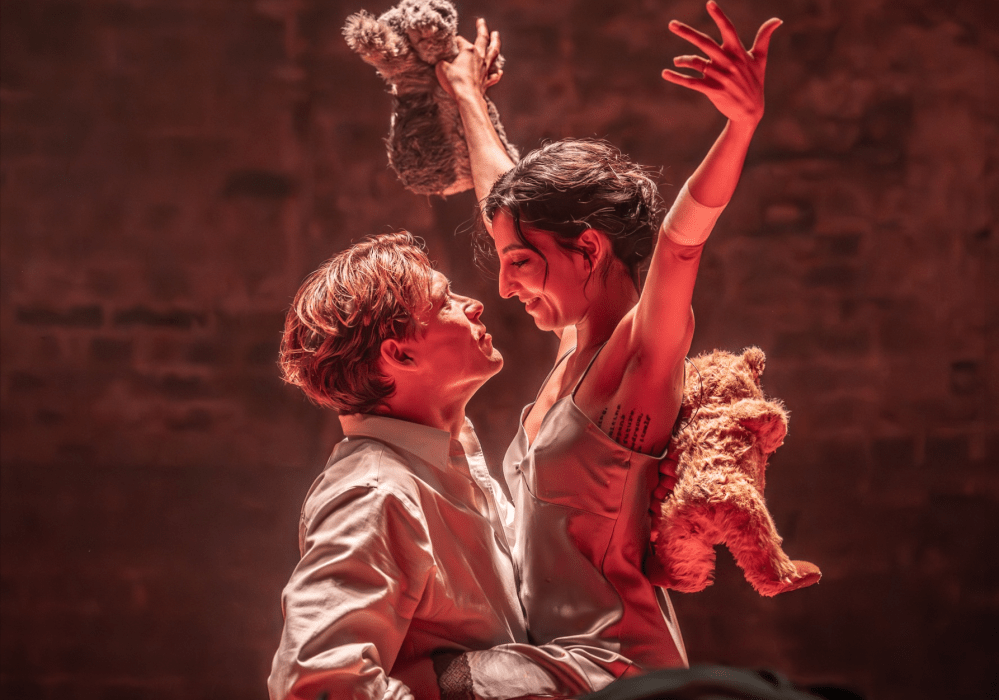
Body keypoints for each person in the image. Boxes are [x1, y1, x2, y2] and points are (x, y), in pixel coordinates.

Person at [435, 0, 781, 675]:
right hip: (551, 661)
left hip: (614, 667)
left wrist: (741, 125)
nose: (504, 287)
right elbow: (501, 193)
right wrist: (466, 93)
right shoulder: (572, 346)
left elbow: (681, 243)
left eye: (519, 262)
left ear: (589, 248)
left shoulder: (638, 357)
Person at [268, 233, 650, 700]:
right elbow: (315, 685)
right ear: (400, 354)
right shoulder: (373, 492)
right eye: (444, 300)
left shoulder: (447, 464)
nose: (474, 304)